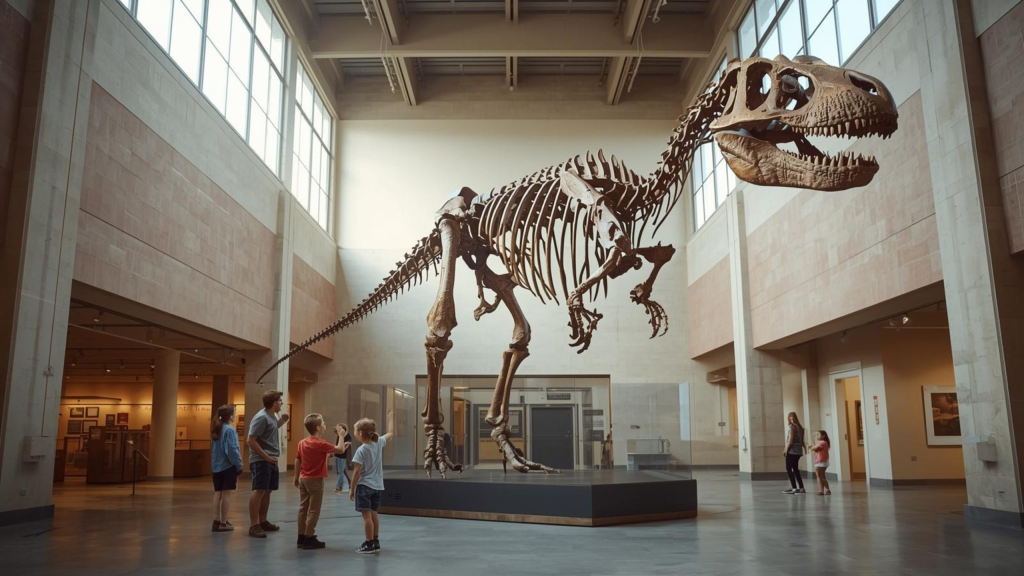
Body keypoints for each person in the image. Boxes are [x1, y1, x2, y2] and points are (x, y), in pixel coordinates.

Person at [293, 414, 351, 550]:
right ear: (318, 428)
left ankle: (300, 537)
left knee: (303, 508)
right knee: (314, 509)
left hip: (303, 479)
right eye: (324, 423)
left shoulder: (302, 442)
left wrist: (295, 477)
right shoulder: (320, 443)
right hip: (315, 481)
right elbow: (340, 450)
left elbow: (298, 459)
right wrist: (342, 436)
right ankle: (309, 537)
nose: (325, 425)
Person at [350, 412, 395, 554]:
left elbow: (357, 472)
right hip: (377, 486)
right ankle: (376, 540)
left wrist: (352, 489)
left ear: (360, 432)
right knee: (374, 513)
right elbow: (390, 433)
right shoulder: (378, 443)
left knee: (366, 516)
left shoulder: (361, 450)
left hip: (364, 486)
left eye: (355, 430)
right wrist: (390, 419)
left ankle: (368, 543)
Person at [246, 390, 290, 538]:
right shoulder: (261, 417)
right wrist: (265, 457)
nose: (281, 403)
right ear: (274, 403)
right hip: (261, 460)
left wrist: (281, 421)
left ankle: (263, 520)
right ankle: (254, 525)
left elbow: (268, 432)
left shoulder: (271, 416)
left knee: (267, 490)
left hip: (270, 459)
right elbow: (251, 440)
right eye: (280, 401)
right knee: (259, 490)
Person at [210, 404, 242, 532]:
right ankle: (223, 522)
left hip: (216, 466)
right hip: (228, 466)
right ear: (230, 416)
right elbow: (232, 449)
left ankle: (216, 520)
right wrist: (238, 464)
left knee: (217, 493)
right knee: (227, 494)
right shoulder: (229, 430)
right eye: (234, 413)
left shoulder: (216, 429)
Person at [782, 412, 806, 494]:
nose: (791, 419)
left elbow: (790, 440)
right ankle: (801, 488)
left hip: (792, 451)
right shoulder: (801, 428)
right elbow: (802, 441)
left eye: (792, 418)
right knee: (795, 469)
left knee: (789, 469)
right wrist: (804, 449)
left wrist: (785, 449)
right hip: (798, 452)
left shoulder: (792, 427)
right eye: (790, 418)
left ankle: (794, 488)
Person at [810, 430, 832, 496]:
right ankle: (822, 491)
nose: (817, 436)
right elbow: (814, 448)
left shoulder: (823, 443)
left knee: (820, 476)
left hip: (821, 461)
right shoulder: (822, 443)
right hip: (820, 461)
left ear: (823, 436)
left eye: (818, 435)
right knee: (819, 476)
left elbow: (813, 448)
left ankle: (827, 489)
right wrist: (813, 446)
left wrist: (812, 447)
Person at [334, 423, 352, 494]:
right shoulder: (339, 435)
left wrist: (345, 446)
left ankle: (339, 487)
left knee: (341, 472)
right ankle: (349, 481)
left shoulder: (347, 435)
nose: (337, 429)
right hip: (337, 455)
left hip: (342, 456)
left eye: (339, 428)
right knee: (341, 471)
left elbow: (349, 442)